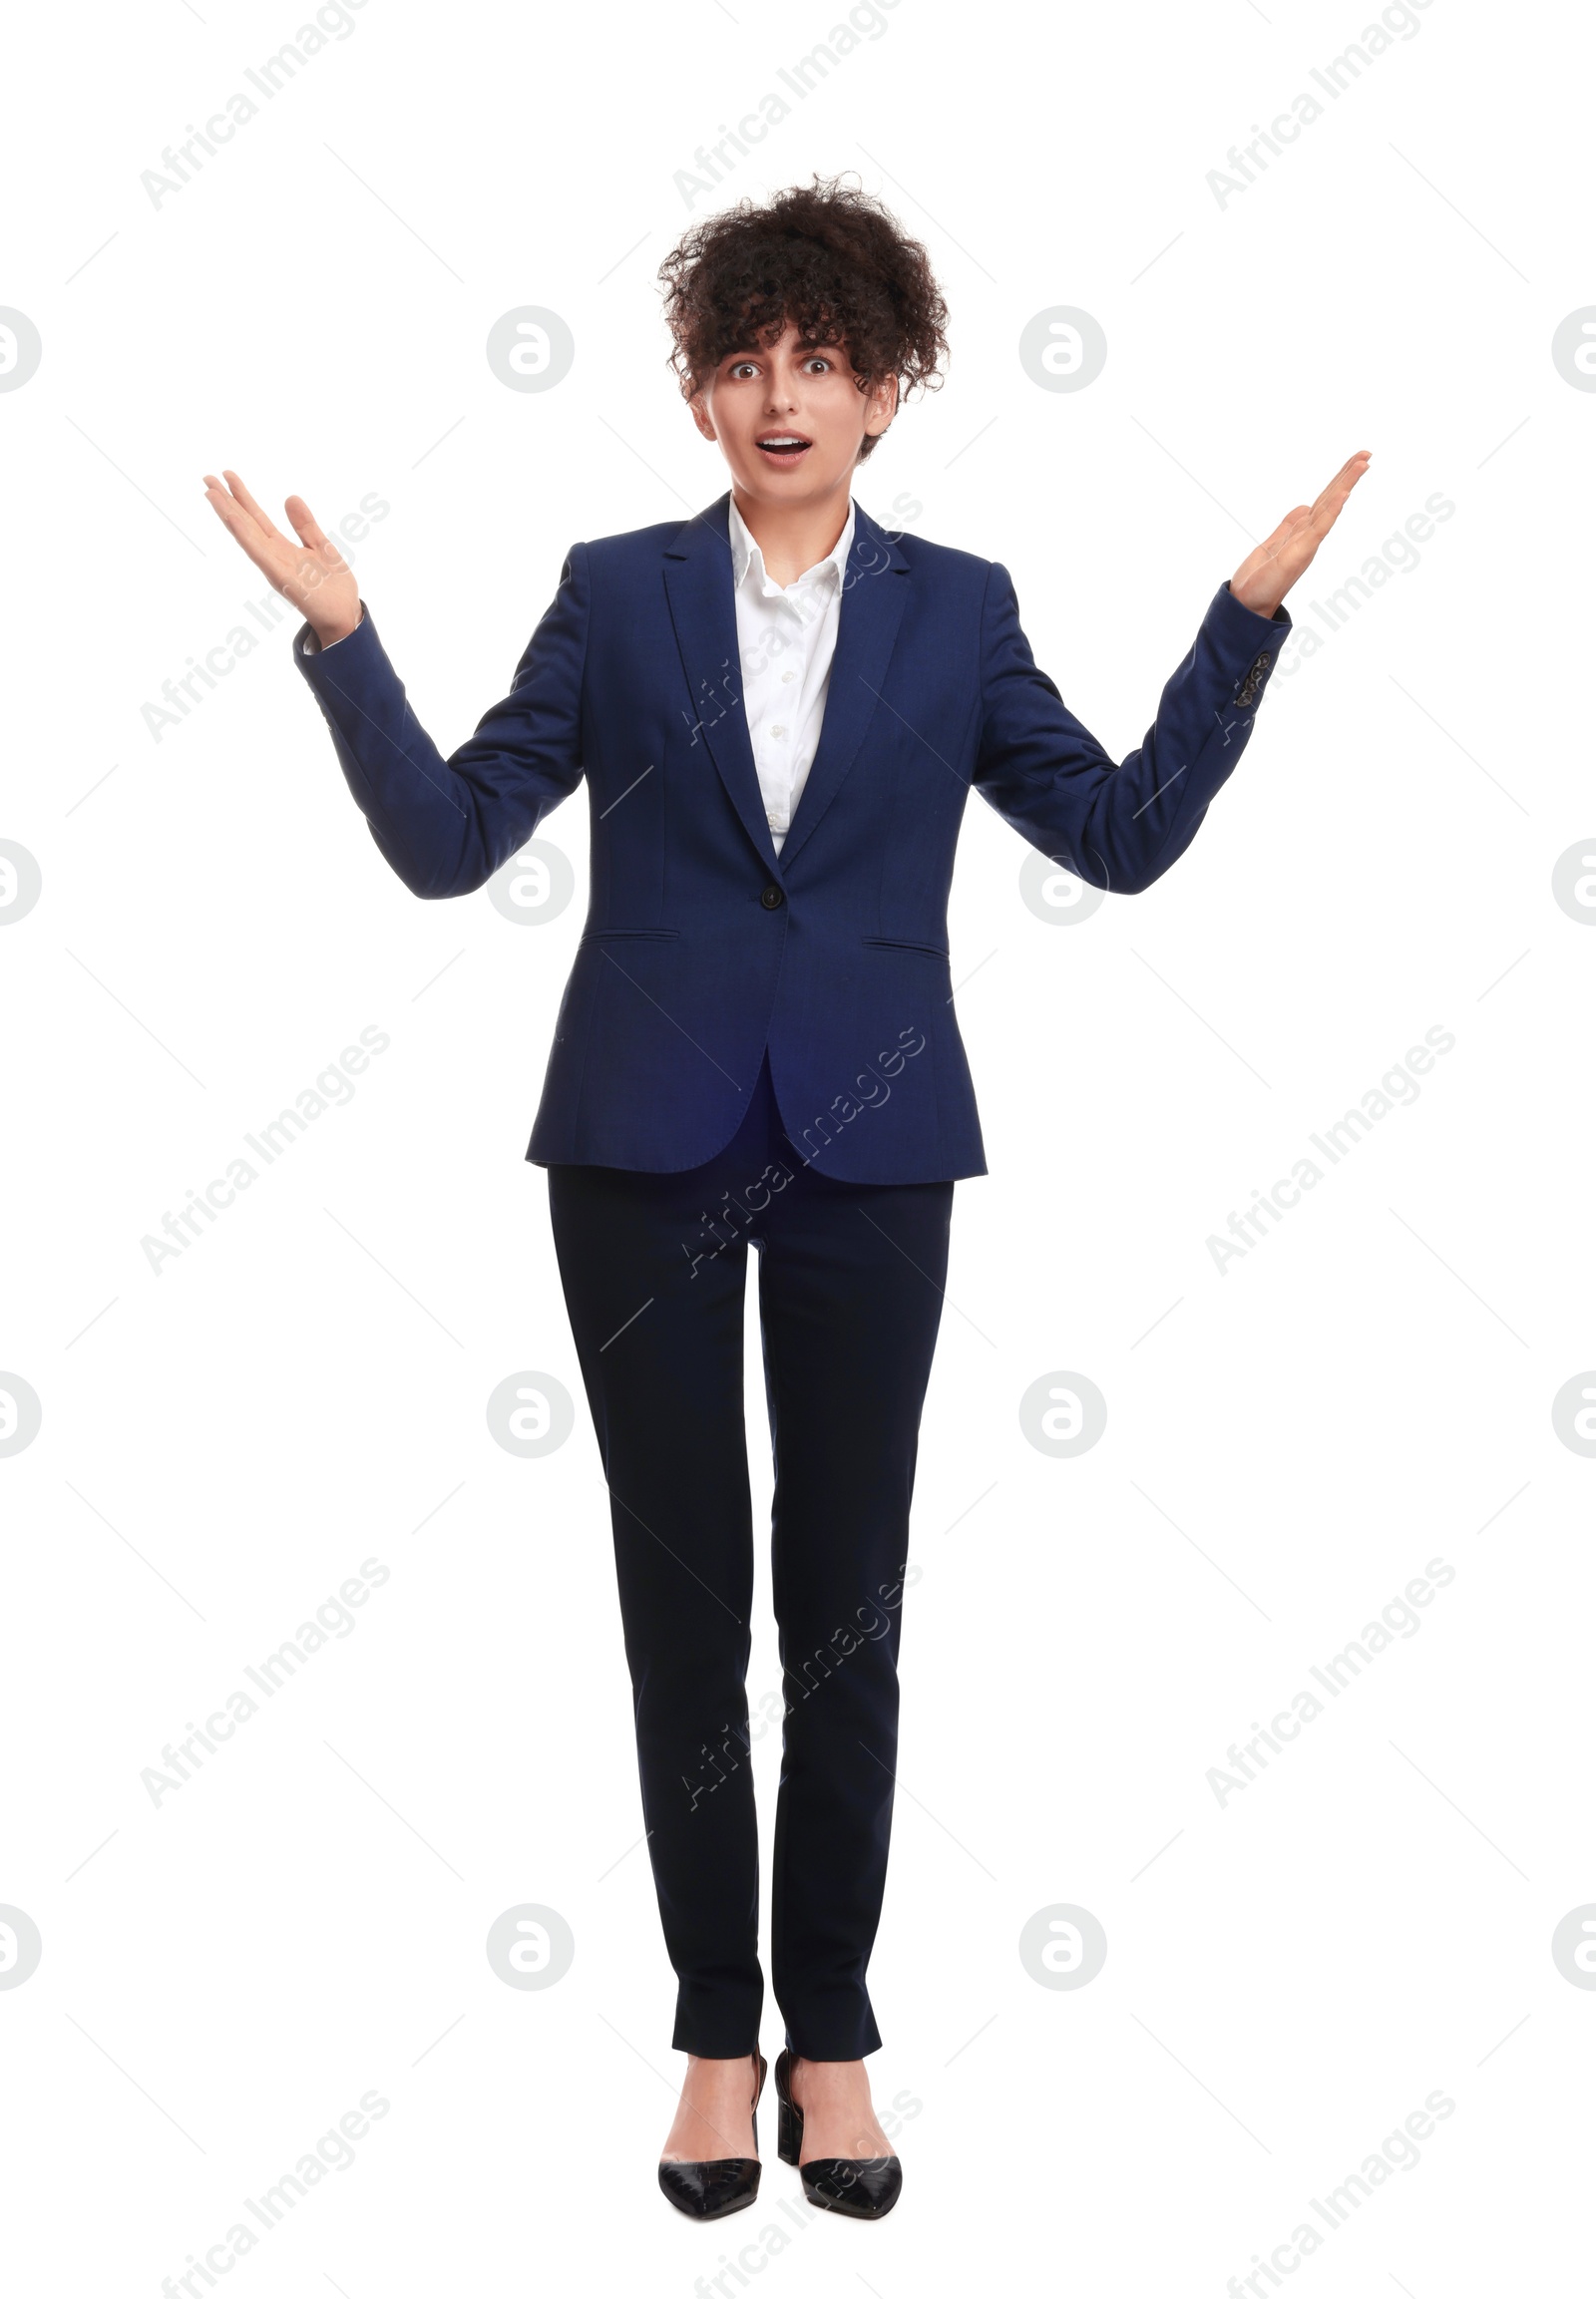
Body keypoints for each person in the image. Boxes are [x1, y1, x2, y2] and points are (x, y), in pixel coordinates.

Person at [202, 173, 1369, 2225]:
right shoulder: (614, 590)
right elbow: (451, 840)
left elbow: (1108, 834)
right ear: (692, 389)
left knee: (841, 1620)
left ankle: (830, 2038)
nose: (778, 396)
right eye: (741, 362)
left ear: (888, 390)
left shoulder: (958, 608)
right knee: (681, 1620)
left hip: (868, 1150)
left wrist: (1240, 625)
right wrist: (342, 643)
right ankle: (707, 2039)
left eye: (819, 362)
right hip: (637, 1153)